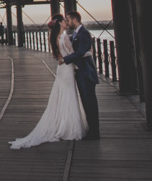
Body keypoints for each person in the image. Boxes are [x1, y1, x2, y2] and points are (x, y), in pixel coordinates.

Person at [9, 14, 87, 149]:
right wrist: (88, 53)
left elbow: (61, 55)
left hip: (61, 69)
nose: (66, 23)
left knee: (62, 96)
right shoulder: (63, 37)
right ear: (60, 24)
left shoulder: (55, 37)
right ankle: (68, 126)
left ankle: (62, 123)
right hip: (67, 70)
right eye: (64, 21)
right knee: (69, 96)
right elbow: (72, 53)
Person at [61, 11, 100, 140]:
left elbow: (80, 52)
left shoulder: (84, 34)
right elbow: (69, 43)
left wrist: (64, 60)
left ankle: (94, 132)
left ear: (74, 20)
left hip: (86, 73)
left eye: (68, 20)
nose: (67, 22)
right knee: (86, 103)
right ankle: (91, 130)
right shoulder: (77, 33)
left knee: (90, 103)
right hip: (81, 73)